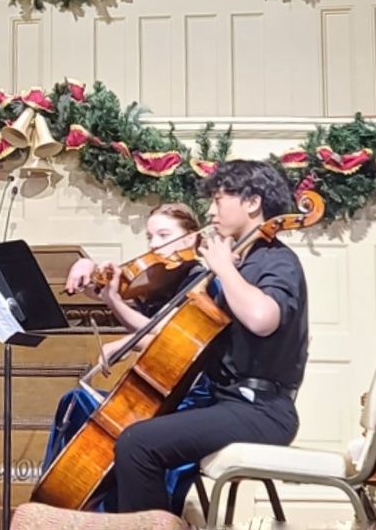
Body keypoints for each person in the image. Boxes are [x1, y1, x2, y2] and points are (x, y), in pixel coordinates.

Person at [107, 160, 308, 514]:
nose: (210, 211)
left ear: (252, 203)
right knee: (132, 433)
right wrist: (113, 304)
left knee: (138, 445)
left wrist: (225, 269)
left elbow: (263, 319)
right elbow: (175, 334)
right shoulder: (240, 262)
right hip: (228, 402)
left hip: (261, 409)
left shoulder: (277, 261)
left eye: (218, 200)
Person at [43, 204, 208, 514]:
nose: (155, 244)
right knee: (73, 402)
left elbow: (166, 334)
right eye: (150, 237)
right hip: (162, 391)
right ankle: (70, 505)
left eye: (164, 235)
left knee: (80, 403)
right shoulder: (163, 279)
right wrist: (89, 269)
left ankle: (84, 508)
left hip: (186, 397)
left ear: (190, 239)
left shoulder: (199, 279)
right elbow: (117, 294)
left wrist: (118, 317)